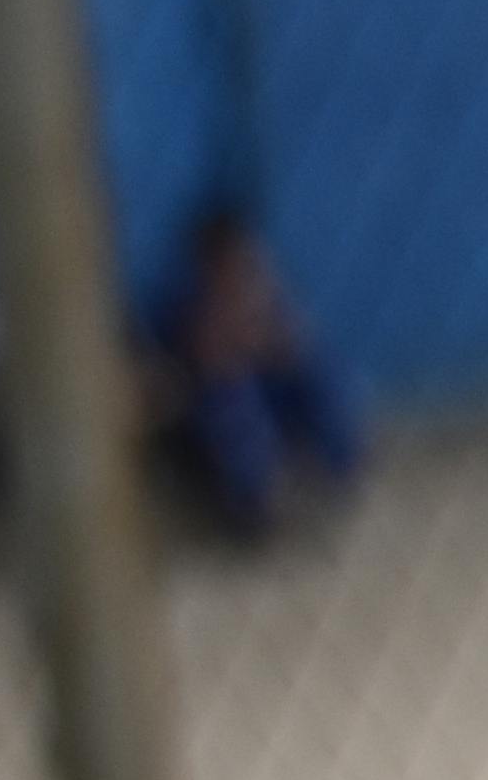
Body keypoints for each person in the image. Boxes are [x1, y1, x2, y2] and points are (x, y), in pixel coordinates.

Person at [137, 201, 362, 543]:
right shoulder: (179, 304)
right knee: (229, 393)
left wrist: (266, 336)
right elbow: (174, 377)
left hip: (269, 397)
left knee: (320, 373)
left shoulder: (262, 292)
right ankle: (256, 503)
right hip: (200, 424)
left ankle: (335, 475)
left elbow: (293, 344)